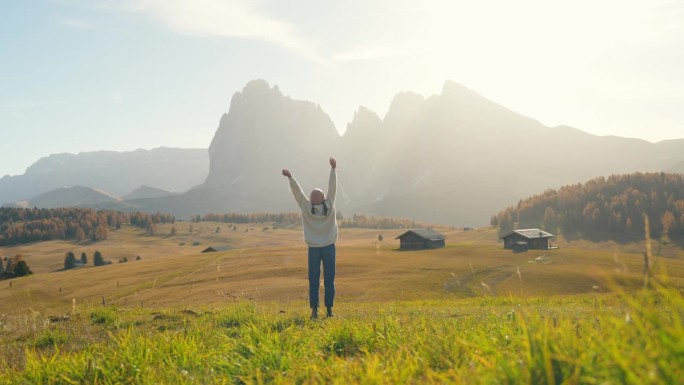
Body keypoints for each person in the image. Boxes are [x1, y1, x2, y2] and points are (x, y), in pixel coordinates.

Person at [282, 157, 338, 319]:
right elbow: (332, 188)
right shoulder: (330, 205)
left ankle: (314, 311)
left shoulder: (306, 207)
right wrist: (333, 170)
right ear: (324, 199)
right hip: (329, 247)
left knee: (313, 280)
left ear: (311, 201)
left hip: (313, 248)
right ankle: (329, 311)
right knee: (329, 280)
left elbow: (297, 193)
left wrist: (291, 178)